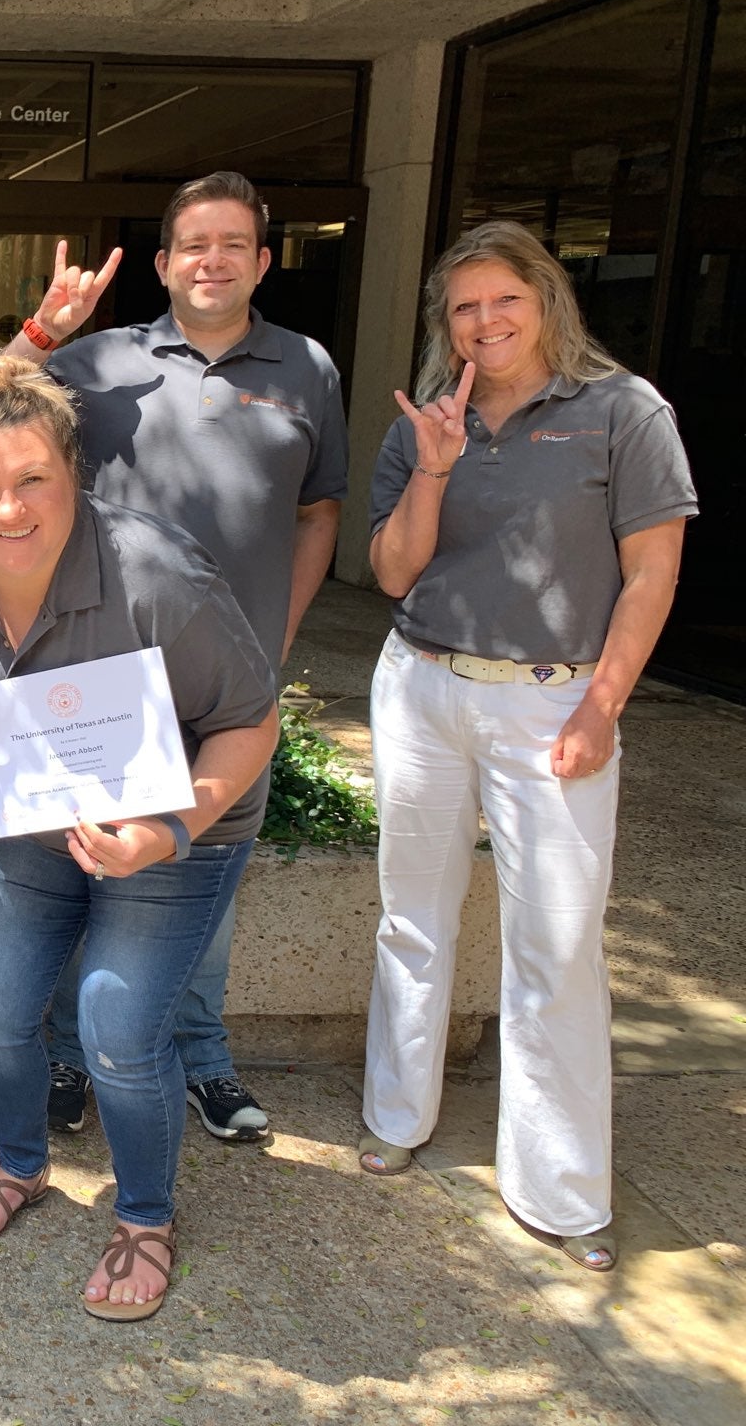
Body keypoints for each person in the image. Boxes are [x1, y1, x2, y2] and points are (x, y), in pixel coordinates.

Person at [0, 355, 278, 1321]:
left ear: (76, 479)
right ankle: (20, 1166)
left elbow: (252, 720)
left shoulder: (155, 571)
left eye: (33, 483)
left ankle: (145, 1214)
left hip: (175, 822)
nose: (8, 510)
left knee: (114, 1025)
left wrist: (170, 827)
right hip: (33, 816)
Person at [359, 221, 695, 1273]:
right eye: (463, 307)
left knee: (554, 945)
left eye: (504, 299)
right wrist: (431, 470)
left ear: (545, 300)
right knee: (411, 915)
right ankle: (393, 1115)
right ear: (442, 326)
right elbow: (390, 573)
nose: (485, 321)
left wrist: (602, 705)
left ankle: (557, 1187)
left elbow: (648, 573)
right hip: (421, 684)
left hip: (552, 702)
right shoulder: (425, 422)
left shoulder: (621, 412)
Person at [5, 171, 347, 1145]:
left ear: (261, 260)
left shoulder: (306, 368)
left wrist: (273, 634)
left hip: (229, 685)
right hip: (106, 674)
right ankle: (71, 1049)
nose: (210, 259)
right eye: (191, 244)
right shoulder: (97, 362)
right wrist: (36, 336)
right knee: (96, 865)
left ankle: (201, 1056)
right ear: (161, 263)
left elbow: (317, 513)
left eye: (231, 243)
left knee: (208, 865)